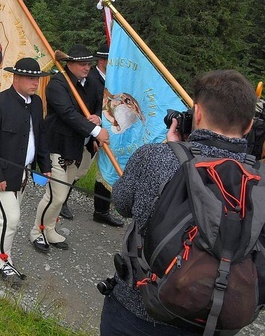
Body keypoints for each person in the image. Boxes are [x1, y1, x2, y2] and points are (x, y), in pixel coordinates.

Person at [100, 69, 258, 335]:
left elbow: (122, 203)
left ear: (196, 113)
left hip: (140, 309)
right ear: (250, 125)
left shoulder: (155, 157)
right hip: (215, 320)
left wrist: (168, 148)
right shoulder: (259, 180)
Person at [29, 44, 108, 253]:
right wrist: (95, 130)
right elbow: (68, 114)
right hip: (57, 147)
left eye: (88, 63)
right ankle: (37, 232)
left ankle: (50, 229)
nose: (87, 67)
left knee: (63, 191)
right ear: (70, 64)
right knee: (57, 196)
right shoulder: (57, 84)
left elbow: (101, 102)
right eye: (82, 64)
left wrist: (97, 117)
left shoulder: (91, 82)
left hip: (78, 148)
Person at [0, 58, 51, 283]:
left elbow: (39, 136)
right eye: (30, 78)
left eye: (37, 79)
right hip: (2, 173)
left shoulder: (37, 103)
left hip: (23, 172)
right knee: (11, 218)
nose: (34, 83)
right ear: (15, 78)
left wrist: (45, 166)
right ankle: (3, 260)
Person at [59, 43, 123, 227]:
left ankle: (101, 210)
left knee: (105, 172)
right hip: (90, 134)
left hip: (108, 132)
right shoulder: (92, 79)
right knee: (80, 170)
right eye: (112, 61)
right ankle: (61, 200)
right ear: (103, 61)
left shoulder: (113, 80)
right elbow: (87, 107)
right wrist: (95, 134)